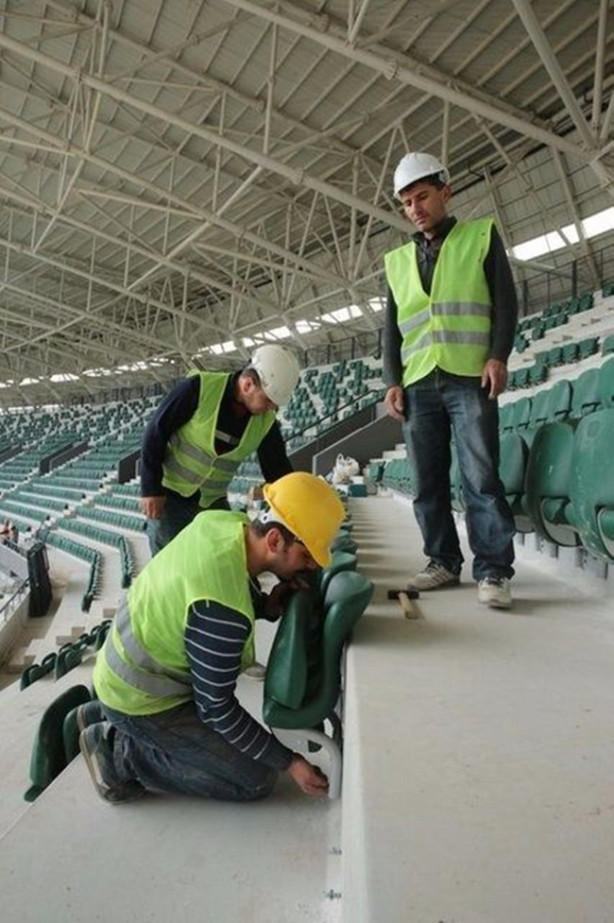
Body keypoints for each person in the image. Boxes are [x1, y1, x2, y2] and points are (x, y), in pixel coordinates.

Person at [79, 472, 346, 804]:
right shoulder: (221, 612)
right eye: (305, 557)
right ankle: (118, 752)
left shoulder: (224, 523)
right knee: (255, 778)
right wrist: (288, 761)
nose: (307, 569)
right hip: (140, 701)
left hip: (127, 672)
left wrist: (264, 605)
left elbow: (211, 589)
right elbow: (217, 709)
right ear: (275, 540)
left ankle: (101, 714)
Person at [383, 151, 517, 610]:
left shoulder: (480, 237)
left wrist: (498, 355)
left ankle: (494, 570)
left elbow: (506, 301)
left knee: (480, 475)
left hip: (468, 375)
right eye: (407, 203)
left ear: (446, 192)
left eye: (422, 197)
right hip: (419, 382)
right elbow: (391, 328)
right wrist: (392, 381)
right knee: (426, 480)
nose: (415, 208)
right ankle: (442, 560)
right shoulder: (398, 261)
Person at [139, 344, 301, 556]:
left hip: (211, 501)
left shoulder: (266, 422)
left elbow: (277, 468)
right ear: (247, 385)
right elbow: (156, 431)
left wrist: (297, 511)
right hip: (170, 498)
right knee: (169, 564)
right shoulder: (199, 388)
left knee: (226, 557)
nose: (271, 408)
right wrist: (150, 489)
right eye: (268, 400)